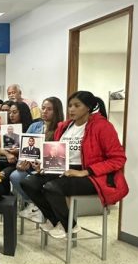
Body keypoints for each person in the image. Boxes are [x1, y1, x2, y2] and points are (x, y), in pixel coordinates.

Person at [20, 91, 128, 239]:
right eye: (70, 105)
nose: (71, 109)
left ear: (88, 107)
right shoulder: (64, 127)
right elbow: (57, 153)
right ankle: (57, 221)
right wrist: (45, 165)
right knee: (29, 182)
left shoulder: (103, 126)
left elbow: (118, 159)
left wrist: (85, 171)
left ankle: (69, 225)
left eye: (77, 106)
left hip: (92, 176)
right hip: (65, 170)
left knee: (52, 187)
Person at [12, 97, 65, 223]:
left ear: (57, 111)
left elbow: (59, 154)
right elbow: (24, 148)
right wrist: (20, 164)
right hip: (31, 165)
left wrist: (44, 166)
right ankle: (35, 204)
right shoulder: (34, 126)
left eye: (49, 109)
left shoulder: (61, 128)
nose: (44, 111)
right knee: (15, 176)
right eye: (43, 108)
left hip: (49, 168)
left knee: (32, 180)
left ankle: (41, 207)